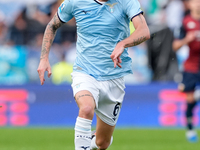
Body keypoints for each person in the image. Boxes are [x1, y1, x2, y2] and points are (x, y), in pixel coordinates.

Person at [37, 0, 150, 149]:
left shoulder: (126, 1)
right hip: (85, 72)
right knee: (86, 108)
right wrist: (44, 58)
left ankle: (91, 140)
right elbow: (52, 25)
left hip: (114, 77)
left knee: (102, 143)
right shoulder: (75, 2)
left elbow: (144, 31)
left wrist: (123, 43)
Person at [173, 0, 200, 143]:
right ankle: (190, 130)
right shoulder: (185, 22)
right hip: (191, 66)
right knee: (190, 100)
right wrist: (186, 40)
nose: (197, 4)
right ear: (189, 5)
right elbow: (175, 46)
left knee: (192, 97)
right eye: (194, 1)